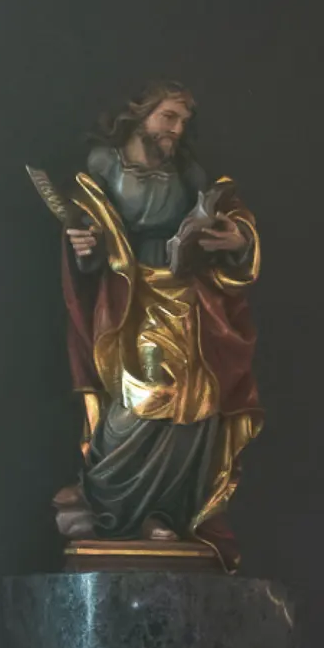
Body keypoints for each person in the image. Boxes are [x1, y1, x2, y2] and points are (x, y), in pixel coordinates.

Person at [36, 83, 264, 557]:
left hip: (186, 296)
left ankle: (165, 510)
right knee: (142, 396)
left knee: (197, 399)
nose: (177, 130)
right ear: (140, 116)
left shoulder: (187, 171)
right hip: (130, 297)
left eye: (182, 121)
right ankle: (106, 497)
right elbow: (87, 232)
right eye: (169, 118)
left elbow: (225, 215)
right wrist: (87, 248)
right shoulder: (104, 166)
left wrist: (235, 237)